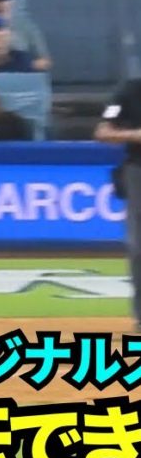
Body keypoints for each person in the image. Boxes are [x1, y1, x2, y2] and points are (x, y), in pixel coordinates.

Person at [94, 78, 141, 331]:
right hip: (138, 171)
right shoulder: (131, 90)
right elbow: (103, 132)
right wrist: (135, 135)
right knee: (138, 247)